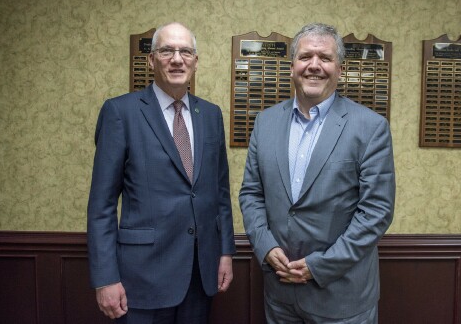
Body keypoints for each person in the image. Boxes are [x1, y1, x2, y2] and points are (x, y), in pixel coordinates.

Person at [239, 23, 396, 323]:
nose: (314, 66)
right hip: (280, 294)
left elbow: (376, 212)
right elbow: (251, 193)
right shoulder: (266, 122)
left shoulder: (370, 127)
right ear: (292, 66)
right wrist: (265, 245)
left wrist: (320, 266)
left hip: (342, 300)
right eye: (305, 56)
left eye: (324, 58)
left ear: (340, 68)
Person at [87, 22, 236, 324]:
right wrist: (105, 278)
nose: (177, 59)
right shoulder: (121, 112)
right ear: (151, 60)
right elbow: (101, 206)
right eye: (167, 50)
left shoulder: (210, 114)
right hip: (141, 278)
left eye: (186, 51)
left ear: (196, 61)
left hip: (199, 275)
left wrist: (225, 253)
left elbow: (219, 193)